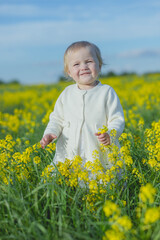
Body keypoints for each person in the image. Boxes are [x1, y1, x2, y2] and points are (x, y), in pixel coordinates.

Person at [40, 41, 125, 168]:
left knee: (101, 182)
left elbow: (117, 119)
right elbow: (56, 119)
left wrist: (110, 135)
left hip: (98, 153)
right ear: (69, 72)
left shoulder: (106, 92)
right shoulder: (66, 93)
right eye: (76, 64)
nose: (83, 67)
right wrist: (51, 132)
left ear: (99, 66)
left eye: (89, 61)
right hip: (68, 154)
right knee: (63, 181)